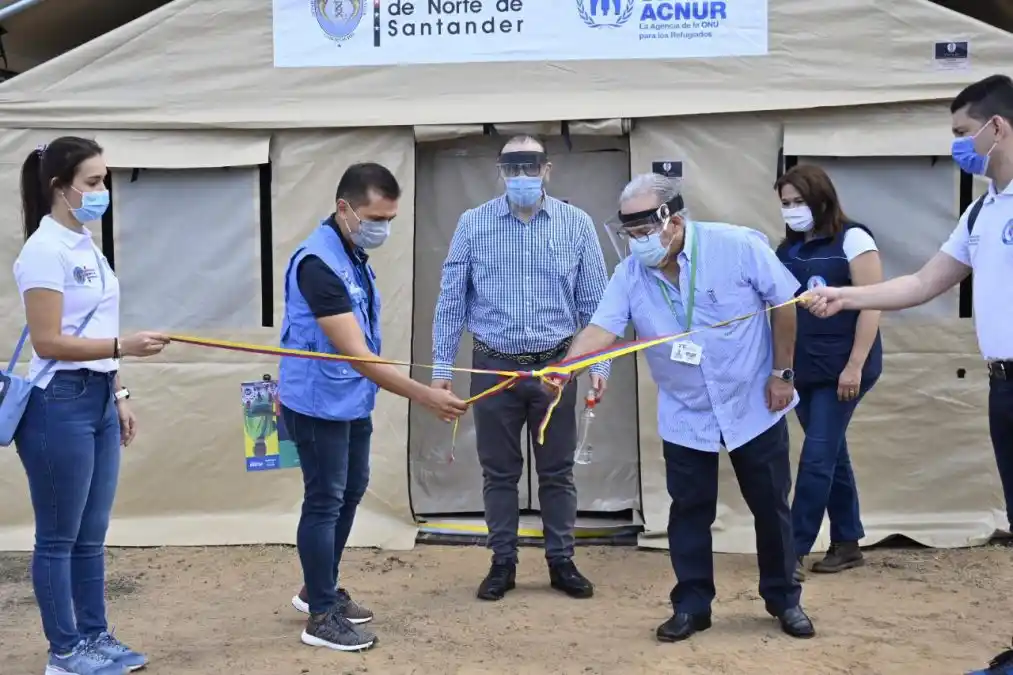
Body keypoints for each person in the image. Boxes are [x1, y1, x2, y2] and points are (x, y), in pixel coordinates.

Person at [800, 74, 1013, 675]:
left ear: (998, 128)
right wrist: (847, 297)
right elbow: (921, 284)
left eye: (962, 134)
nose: (958, 148)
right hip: (1004, 385)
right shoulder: (980, 212)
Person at [558, 173, 815, 641]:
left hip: (753, 402)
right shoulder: (630, 274)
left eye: (643, 233)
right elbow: (602, 329)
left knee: (771, 506)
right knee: (689, 510)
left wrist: (783, 374)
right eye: (630, 235)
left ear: (673, 222)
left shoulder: (736, 246)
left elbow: (784, 303)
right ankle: (692, 605)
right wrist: (565, 368)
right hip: (686, 412)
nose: (637, 244)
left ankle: (784, 599)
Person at [278, 162, 468, 652]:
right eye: (374, 217)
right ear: (344, 209)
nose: (382, 227)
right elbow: (357, 355)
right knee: (324, 499)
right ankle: (320, 614)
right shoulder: (318, 264)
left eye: (389, 218)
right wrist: (424, 395)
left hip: (348, 400)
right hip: (318, 403)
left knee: (350, 490)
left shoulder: (352, 252)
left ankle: (316, 587)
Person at [13, 136, 170, 675]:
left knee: (91, 534)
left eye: (105, 181)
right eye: (94, 183)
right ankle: (65, 651)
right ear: (60, 186)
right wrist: (122, 348)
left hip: (98, 396)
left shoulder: (87, 245)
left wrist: (119, 390)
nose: (104, 192)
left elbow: (96, 327)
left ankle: (95, 636)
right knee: (58, 538)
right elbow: (48, 342)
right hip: (58, 402)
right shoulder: (42, 251)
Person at [431, 136, 610, 601]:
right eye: (512, 169)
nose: (522, 177)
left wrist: (599, 364)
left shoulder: (576, 224)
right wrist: (441, 368)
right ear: (500, 172)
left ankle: (561, 561)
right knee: (499, 472)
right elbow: (451, 300)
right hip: (493, 367)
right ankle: (502, 562)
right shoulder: (473, 224)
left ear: (547, 170)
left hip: (555, 367)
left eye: (530, 167)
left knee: (557, 471)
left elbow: (597, 304)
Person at [774, 164, 883, 581]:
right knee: (831, 452)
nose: (792, 210)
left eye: (799, 201)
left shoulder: (853, 238)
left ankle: (793, 550)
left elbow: (871, 303)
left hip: (846, 366)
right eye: (785, 203)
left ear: (821, 198)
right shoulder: (787, 249)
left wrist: (854, 365)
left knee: (817, 457)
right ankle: (848, 541)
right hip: (804, 368)